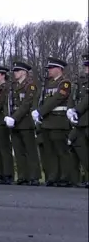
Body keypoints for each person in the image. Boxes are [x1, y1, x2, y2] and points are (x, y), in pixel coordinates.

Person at [31, 57, 73, 187]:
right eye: (48, 68)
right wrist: (36, 111)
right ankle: (53, 176)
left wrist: (41, 111)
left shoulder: (64, 83)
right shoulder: (47, 84)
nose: (49, 71)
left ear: (59, 69)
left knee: (61, 151)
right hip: (47, 122)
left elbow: (57, 99)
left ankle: (65, 177)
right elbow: (39, 99)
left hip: (59, 121)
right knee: (50, 152)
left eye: (51, 68)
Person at [5, 61, 41, 186]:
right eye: (14, 71)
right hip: (14, 123)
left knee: (30, 150)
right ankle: (22, 176)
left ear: (24, 72)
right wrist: (8, 117)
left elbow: (27, 104)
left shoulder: (30, 86)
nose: (15, 73)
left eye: (18, 71)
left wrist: (14, 118)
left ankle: (34, 176)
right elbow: (8, 104)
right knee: (19, 150)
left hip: (25, 122)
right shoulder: (12, 87)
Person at [66, 54, 88, 188]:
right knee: (83, 150)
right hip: (80, 122)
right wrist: (69, 109)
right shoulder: (80, 81)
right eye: (85, 65)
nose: (86, 68)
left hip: (84, 118)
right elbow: (72, 97)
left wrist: (77, 110)